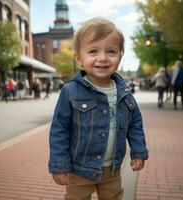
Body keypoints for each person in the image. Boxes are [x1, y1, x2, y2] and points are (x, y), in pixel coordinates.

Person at [48, 17, 148, 200]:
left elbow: (135, 124)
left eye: (111, 51)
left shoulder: (124, 92)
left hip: (112, 169)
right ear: (79, 58)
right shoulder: (71, 91)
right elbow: (59, 130)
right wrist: (59, 164)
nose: (102, 58)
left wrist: (138, 151)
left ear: (119, 56)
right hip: (79, 169)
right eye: (93, 51)